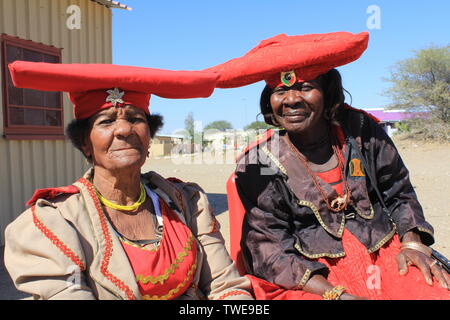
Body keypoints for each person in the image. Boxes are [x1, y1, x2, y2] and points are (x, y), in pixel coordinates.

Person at [207, 31, 450, 300]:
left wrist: (413, 243)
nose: (291, 100)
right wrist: (336, 295)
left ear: (327, 92)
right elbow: (269, 246)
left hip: (386, 251)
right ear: (269, 100)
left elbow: (398, 191)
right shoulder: (259, 162)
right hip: (309, 275)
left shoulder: (361, 130)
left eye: (306, 87)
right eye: (280, 91)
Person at [4, 61, 253, 300]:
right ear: (84, 143)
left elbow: (225, 285)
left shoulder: (186, 201)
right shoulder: (54, 220)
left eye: (135, 119)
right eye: (106, 121)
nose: (124, 130)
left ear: (149, 136)